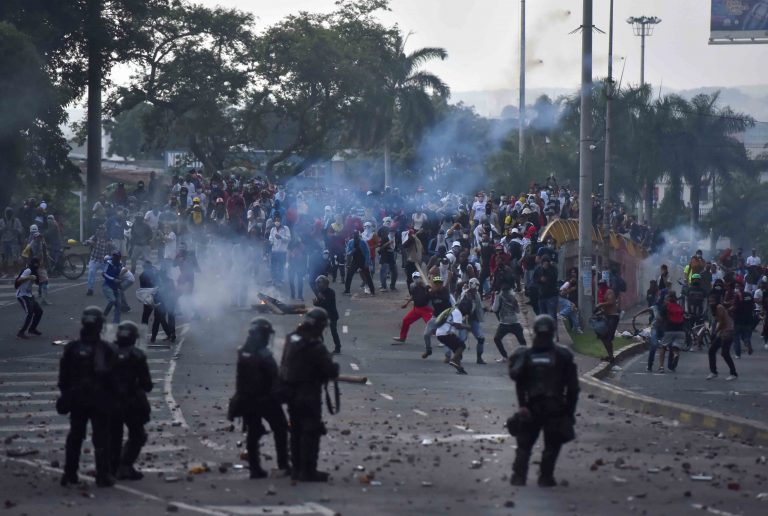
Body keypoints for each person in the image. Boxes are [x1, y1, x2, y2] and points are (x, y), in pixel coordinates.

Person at [508, 314, 579, 487]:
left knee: (525, 444)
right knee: (551, 445)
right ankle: (545, 476)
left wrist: (523, 406)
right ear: (553, 333)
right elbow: (573, 389)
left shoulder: (525, 355)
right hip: (555, 406)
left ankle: (519, 476)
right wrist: (569, 412)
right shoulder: (562, 355)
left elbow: (518, 381)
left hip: (532, 405)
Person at [58, 307, 116, 487]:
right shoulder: (106, 349)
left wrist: (67, 395)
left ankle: (69, 473)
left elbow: (63, 377)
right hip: (99, 399)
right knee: (101, 437)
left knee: (75, 436)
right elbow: (113, 377)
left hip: (77, 399)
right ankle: (102, 475)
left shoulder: (72, 348)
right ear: (99, 326)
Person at [279, 308, 340, 482]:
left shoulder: (291, 338)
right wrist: (333, 369)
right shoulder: (315, 346)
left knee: (296, 430)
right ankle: (308, 471)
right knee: (310, 432)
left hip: (290, 393)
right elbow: (329, 370)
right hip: (308, 395)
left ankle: (296, 468)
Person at [230, 318, 290, 478]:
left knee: (253, 432)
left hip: (246, 399)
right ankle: (283, 464)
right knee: (281, 428)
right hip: (265, 399)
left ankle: (254, 468)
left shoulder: (243, 351)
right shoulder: (263, 355)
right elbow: (273, 376)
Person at [109, 321, 153, 480]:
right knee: (137, 435)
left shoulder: (107, 352)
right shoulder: (137, 355)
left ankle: (110, 468)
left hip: (111, 402)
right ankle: (125, 465)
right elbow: (146, 384)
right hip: (132, 402)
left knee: (113, 436)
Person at [393, 271, 433, 343]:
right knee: (406, 321)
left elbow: (432, 292)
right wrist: (407, 303)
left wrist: (428, 287)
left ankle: (443, 340)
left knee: (432, 324)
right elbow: (413, 296)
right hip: (416, 309)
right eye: (414, 278)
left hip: (425, 309)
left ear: (420, 278)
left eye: (417, 277)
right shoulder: (412, 286)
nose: (416, 279)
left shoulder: (425, 286)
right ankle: (402, 337)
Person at [435, 298, 470, 375]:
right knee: (462, 345)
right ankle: (453, 360)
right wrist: (467, 327)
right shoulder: (457, 312)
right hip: (445, 333)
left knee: (457, 350)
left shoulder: (453, 309)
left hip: (441, 333)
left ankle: (459, 368)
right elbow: (457, 325)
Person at [492, 284, 527, 361]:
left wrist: (496, 297)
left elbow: (494, 309)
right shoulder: (513, 297)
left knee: (497, 339)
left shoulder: (499, 296)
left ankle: (505, 357)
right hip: (515, 322)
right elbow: (517, 311)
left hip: (504, 323)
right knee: (522, 341)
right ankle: (525, 357)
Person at [707, 293, 738, 381]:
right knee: (712, 351)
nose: (711, 303)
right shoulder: (716, 308)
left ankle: (733, 373)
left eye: (713, 301)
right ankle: (713, 372)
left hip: (727, 332)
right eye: (710, 301)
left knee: (725, 353)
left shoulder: (719, 307)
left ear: (716, 301)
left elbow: (721, 322)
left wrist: (714, 332)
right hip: (724, 332)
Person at [15, 257, 43, 339]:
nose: (38, 265)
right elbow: (19, 279)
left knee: (39, 311)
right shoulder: (28, 270)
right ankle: (21, 332)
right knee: (29, 313)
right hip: (22, 295)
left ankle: (32, 329)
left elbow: (38, 283)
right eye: (37, 263)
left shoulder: (35, 271)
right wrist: (29, 277)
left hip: (29, 295)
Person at [313, 275, 341, 354]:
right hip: (323, 315)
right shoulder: (320, 293)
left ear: (325, 284)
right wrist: (316, 302)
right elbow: (318, 303)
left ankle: (338, 347)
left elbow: (327, 304)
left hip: (332, 315)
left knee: (334, 332)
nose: (318, 286)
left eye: (320, 284)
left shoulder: (331, 292)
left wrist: (321, 299)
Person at [659, 292, 686, 372]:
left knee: (663, 347)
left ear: (668, 297)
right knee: (676, 347)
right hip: (680, 331)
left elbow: (660, 318)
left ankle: (661, 367)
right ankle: (675, 354)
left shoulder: (665, 306)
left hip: (669, 330)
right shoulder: (679, 307)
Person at [595, 279, 620, 364]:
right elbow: (602, 304)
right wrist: (599, 310)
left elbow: (611, 302)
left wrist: (600, 305)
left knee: (608, 337)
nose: (601, 286)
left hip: (613, 316)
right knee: (603, 336)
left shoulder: (609, 291)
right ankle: (610, 356)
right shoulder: (600, 292)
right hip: (605, 316)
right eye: (599, 285)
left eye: (602, 285)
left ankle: (611, 356)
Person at [344, 230, 375, 295]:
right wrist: (352, 251)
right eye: (355, 236)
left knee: (368, 276)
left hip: (363, 260)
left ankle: (372, 291)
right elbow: (347, 253)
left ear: (359, 236)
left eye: (357, 236)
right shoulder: (350, 242)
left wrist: (367, 262)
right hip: (355, 261)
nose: (356, 237)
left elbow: (367, 253)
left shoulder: (363, 242)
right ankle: (347, 290)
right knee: (349, 274)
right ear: (353, 236)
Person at [85, 225, 112, 296]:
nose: (101, 231)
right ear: (98, 230)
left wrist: (111, 245)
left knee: (109, 274)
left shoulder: (108, 238)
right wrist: (88, 242)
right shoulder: (94, 237)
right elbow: (87, 242)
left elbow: (113, 247)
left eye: (103, 230)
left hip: (104, 261)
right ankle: (90, 289)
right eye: (100, 229)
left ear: (105, 231)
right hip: (94, 260)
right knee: (91, 272)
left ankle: (110, 289)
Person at [102, 251, 123, 324]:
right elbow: (104, 274)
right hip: (107, 286)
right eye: (114, 256)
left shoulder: (120, 265)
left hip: (115, 287)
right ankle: (103, 316)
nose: (115, 258)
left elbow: (120, 275)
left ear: (119, 258)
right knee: (112, 300)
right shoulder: (109, 263)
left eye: (117, 256)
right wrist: (113, 279)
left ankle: (116, 323)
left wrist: (120, 280)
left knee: (118, 305)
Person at [268, 216, 290, 285]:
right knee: (273, 266)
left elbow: (289, 239)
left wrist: (281, 237)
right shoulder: (272, 229)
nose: (277, 222)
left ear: (281, 221)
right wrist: (269, 242)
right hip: (274, 250)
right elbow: (271, 238)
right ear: (274, 221)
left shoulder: (285, 228)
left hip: (282, 251)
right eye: (276, 220)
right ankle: (274, 279)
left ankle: (280, 279)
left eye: (278, 220)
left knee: (281, 266)